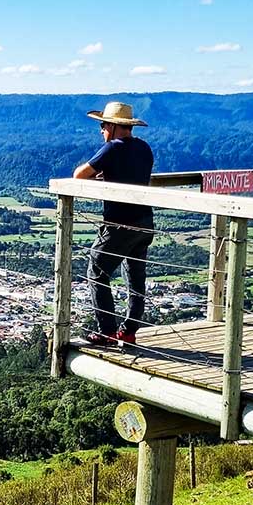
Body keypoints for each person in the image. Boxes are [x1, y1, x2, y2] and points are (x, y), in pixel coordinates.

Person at [72, 101, 154, 347]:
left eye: (102, 125)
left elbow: (79, 175)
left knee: (96, 270)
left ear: (113, 126)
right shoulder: (144, 148)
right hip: (145, 221)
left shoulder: (112, 149)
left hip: (119, 224)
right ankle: (129, 331)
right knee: (135, 276)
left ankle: (106, 331)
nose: (101, 130)